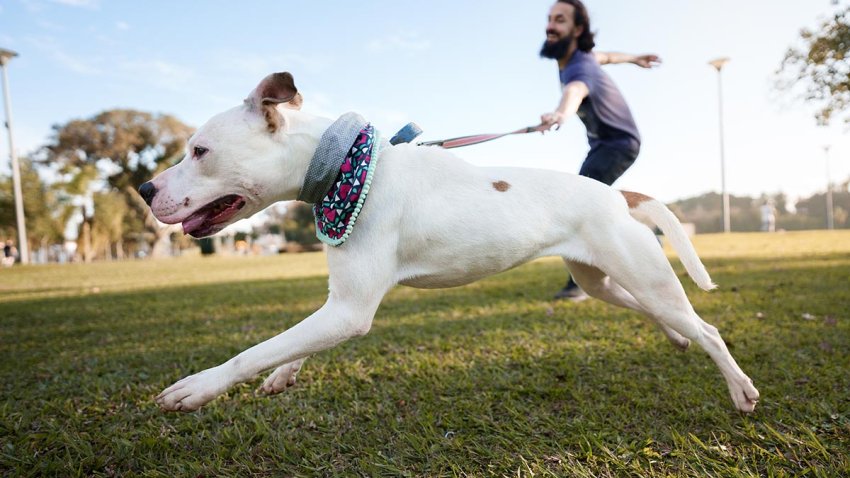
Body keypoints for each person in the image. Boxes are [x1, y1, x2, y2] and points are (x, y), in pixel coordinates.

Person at [538, 0, 660, 301]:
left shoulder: (578, 67)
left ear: (578, 29)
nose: (550, 26)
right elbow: (607, 56)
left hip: (618, 143)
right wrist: (634, 58)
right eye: (550, 18)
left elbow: (575, 90)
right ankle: (648, 238)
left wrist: (560, 113)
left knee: (581, 204)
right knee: (593, 204)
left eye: (560, 20)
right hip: (607, 145)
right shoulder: (582, 58)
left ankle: (580, 284)